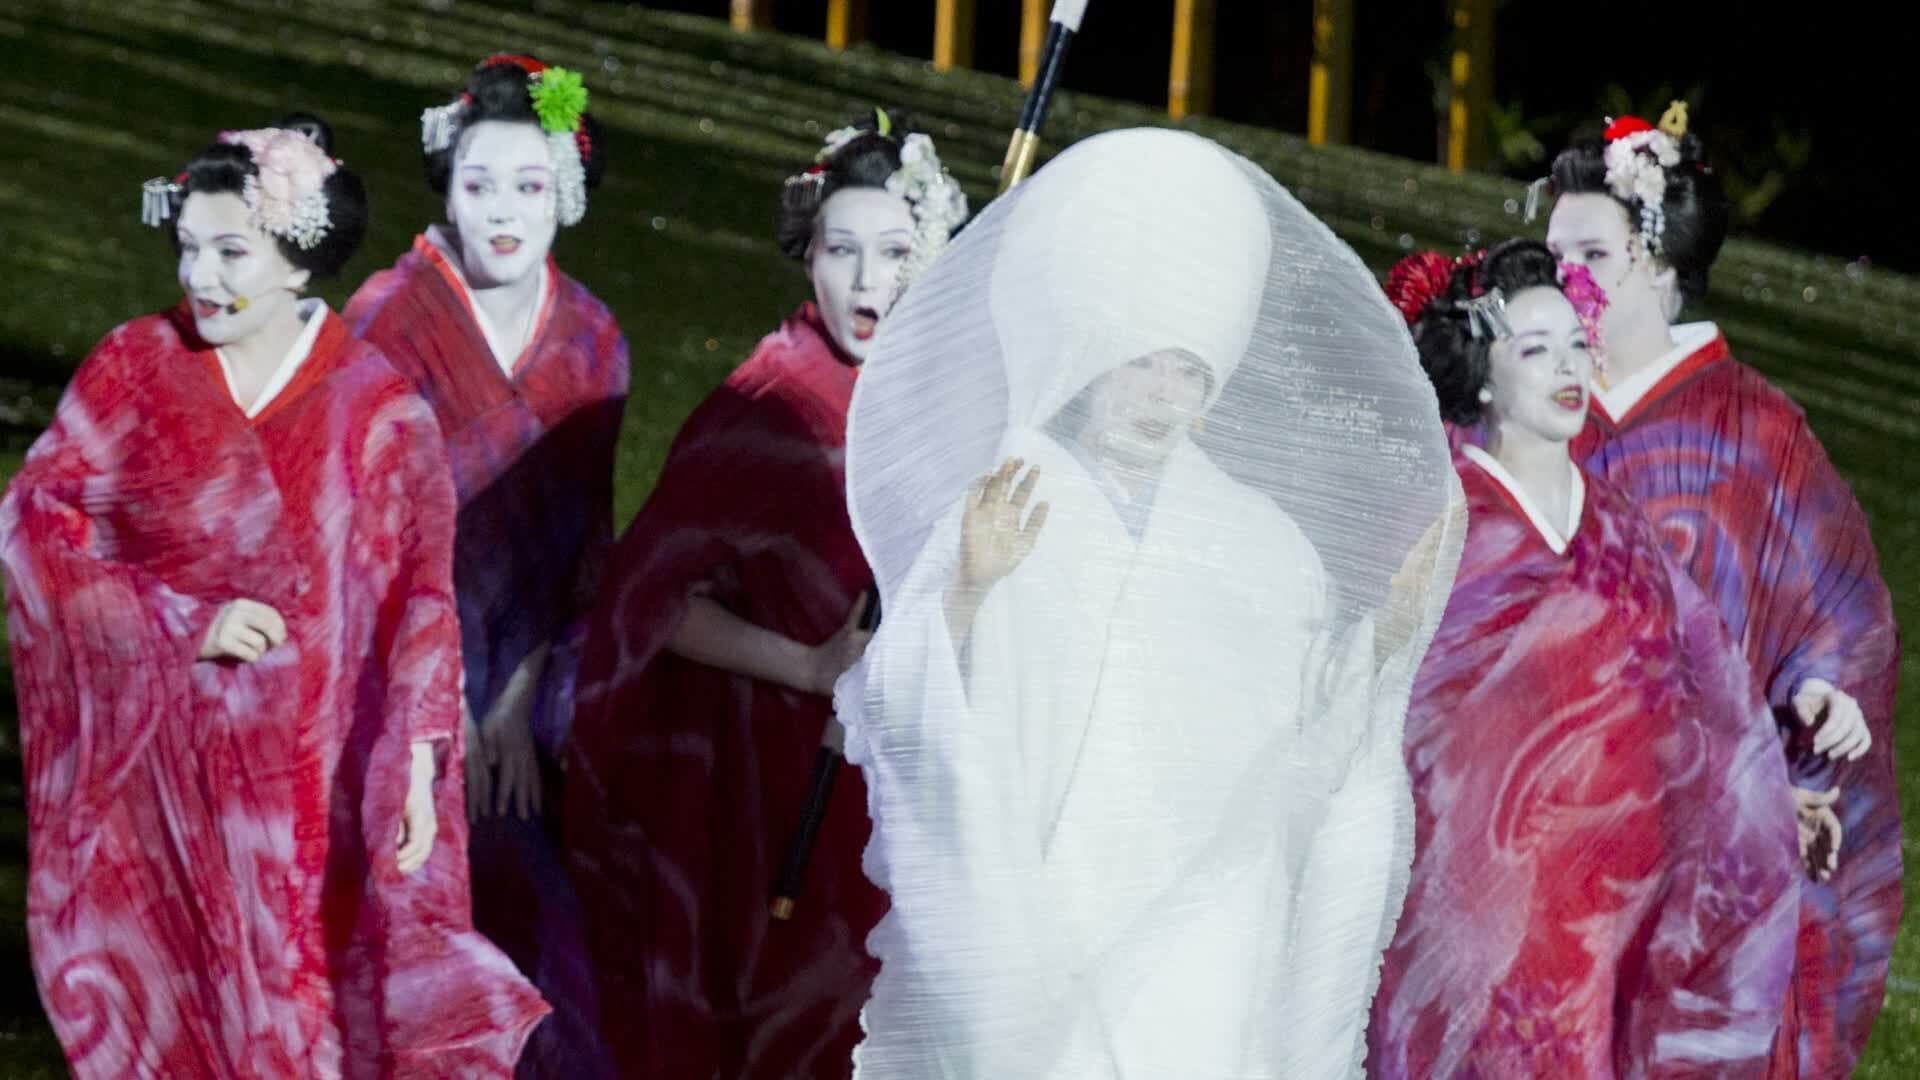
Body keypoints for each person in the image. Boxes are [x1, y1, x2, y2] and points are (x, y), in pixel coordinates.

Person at [835, 126, 1464, 1077]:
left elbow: (1301, 749)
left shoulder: (1264, 542)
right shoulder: (1009, 493)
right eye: (1143, 362)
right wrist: (967, 592)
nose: (1162, 398)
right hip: (1038, 919)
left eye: (1189, 372)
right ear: (1092, 354)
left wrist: (1378, 646)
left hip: (1200, 955)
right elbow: (905, 705)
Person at [0, 116, 548, 1077]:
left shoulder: (377, 412)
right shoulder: (135, 368)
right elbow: (32, 529)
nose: (201, 278)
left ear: (299, 258)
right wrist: (182, 623)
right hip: (158, 776)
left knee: (307, 1020)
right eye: (189, 249)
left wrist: (419, 763)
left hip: (309, 785)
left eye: (230, 252)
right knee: (171, 1014)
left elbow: (418, 596)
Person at [562, 107, 967, 1077]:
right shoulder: (764, 409)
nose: (868, 282)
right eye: (842, 251)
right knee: (800, 1020)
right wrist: (813, 664)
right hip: (774, 784)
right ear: (806, 256)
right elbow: (648, 604)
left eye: (897, 251)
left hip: (909, 787)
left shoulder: (948, 400)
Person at [1366, 239, 1802, 1077]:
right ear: (1483, 372)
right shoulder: (1446, 522)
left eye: (1576, 344)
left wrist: (1755, 791)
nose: (1568, 368)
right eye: (1535, 350)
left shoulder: (1623, 529)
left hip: (1615, 899)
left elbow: (1705, 692)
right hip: (1472, 905)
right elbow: (1390, 700)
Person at [1540, 104, 1900, 1076]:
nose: (1562, 282)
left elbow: (1836, 605)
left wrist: (1823, 691)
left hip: (1697, 818)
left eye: (1593, 257)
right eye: (1551, 256)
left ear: (1659, 263)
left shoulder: (1760, 431)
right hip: (1539, 802)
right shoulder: (1531, 405)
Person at [343, 53, 626, 1077]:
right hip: (393, 671)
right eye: (478, 185)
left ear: (568, 195)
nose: (503, 213)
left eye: (530, 186)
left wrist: (518, 690)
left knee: (554, 943)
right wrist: (441, 694)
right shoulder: (387, 323)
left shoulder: (595, 343)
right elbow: (358, 541)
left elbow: (586, 541)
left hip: (530, 688)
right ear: (446, 189)